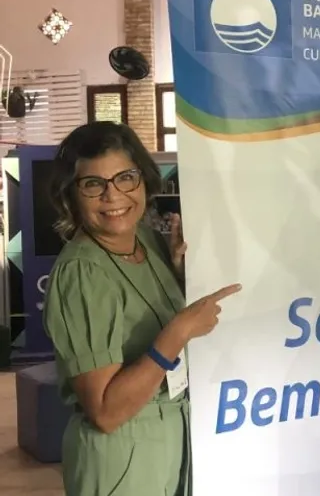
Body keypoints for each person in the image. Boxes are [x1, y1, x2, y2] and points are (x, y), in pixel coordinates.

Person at [42, 121, 242, 496]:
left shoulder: (147, 240)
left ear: (144, 180)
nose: (113, 196)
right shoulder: (82, 272)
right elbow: (105, 412)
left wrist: (181, 272)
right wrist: (177, 333)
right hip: (123, 450)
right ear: (71, 196)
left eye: (125, 177)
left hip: (174, 433)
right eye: (93, 184)